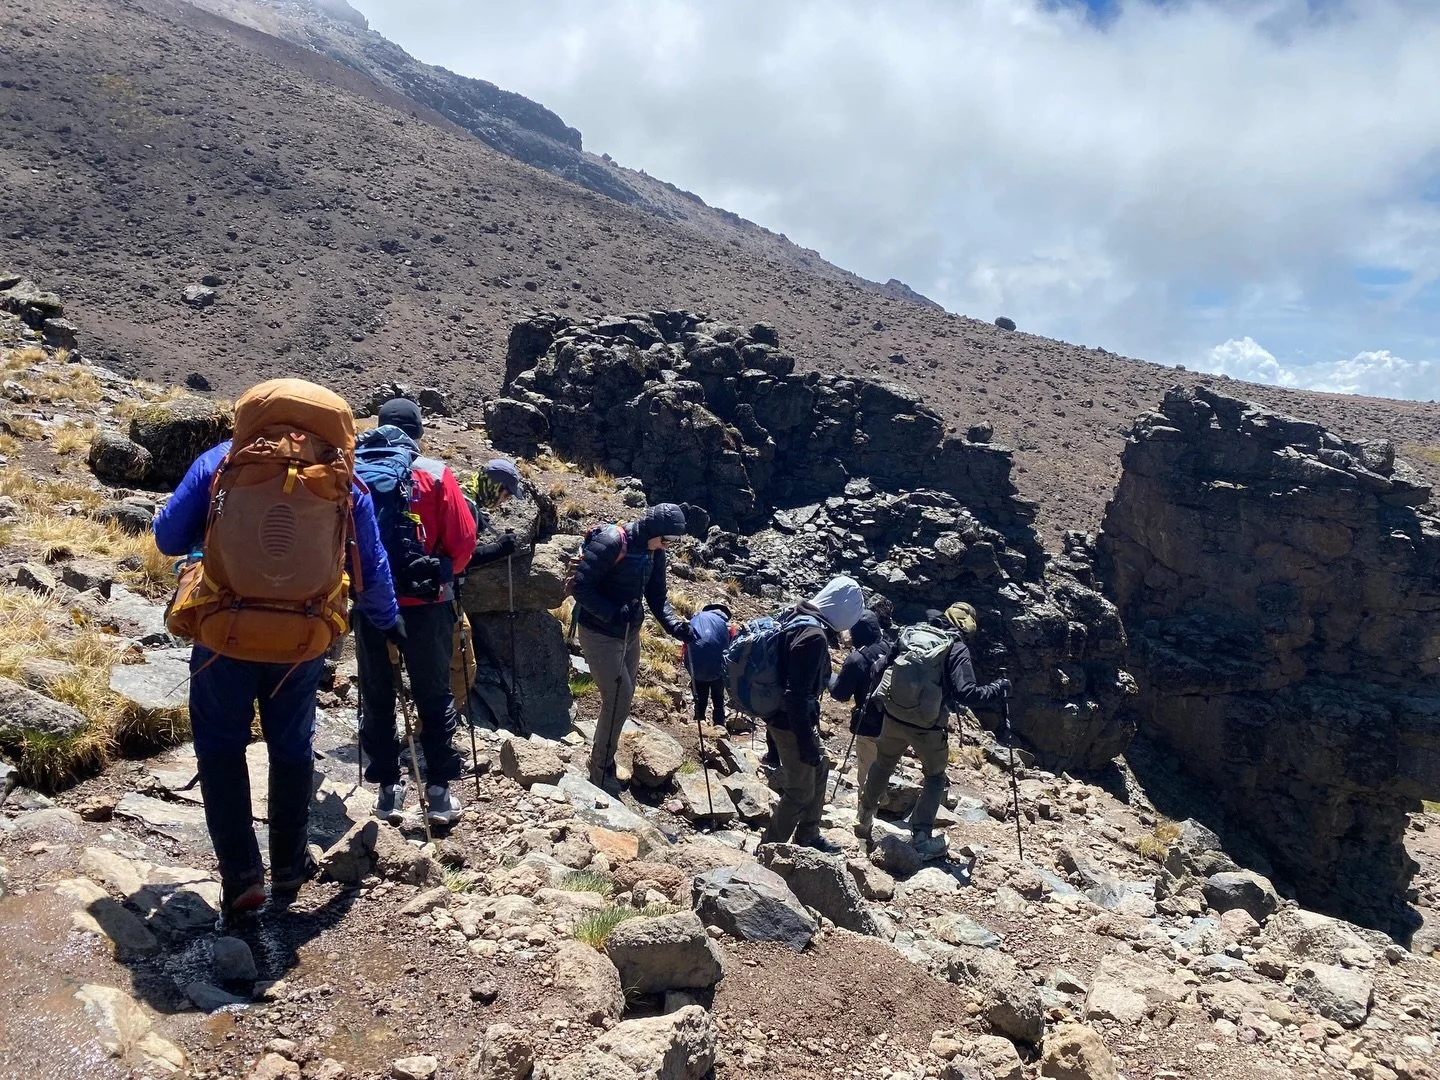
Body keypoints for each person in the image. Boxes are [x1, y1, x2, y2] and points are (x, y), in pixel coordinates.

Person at [155, 378, 400, 923]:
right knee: (292, 745)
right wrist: (387, 623)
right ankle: (289, 866)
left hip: (224, 636)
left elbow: (169, 539)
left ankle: (242, 878)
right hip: (302, 640)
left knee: (221, 749)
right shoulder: (343, 479)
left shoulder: (221, 461)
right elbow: (370, 568)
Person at [356, 398, 477, 829]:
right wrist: (443, 569)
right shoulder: (435, 473)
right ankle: (440, 792)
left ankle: (388, 791)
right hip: (427, 604)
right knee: (434, 692)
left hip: (371, 603)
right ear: (418, 431)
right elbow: (463, 543)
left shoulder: (351, 471)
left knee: (376, 692)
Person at [855, 602, 1010, 859]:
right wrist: (998, 688)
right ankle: (922, 837)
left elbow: (881, 666)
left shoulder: (913, 632)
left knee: (883, 763)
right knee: (935, 777)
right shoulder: (956, 648)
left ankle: (864, 819)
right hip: (926, 726)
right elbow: (967, 693)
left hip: (893, 714)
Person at [572, 503, 691, 791]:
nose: (668, 545)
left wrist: (677, 628)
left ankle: (604, 757)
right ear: (654, 530)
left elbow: (658, 597)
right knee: (618, 701)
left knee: (621, 700)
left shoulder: (654, 553)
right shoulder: (613, 541)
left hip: (629, 634)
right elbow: (580, 587)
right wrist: (613, 612)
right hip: (600, 634)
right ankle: (600, 769)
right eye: (667, 538)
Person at [758, 575, 865, 851]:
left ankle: (809, 833)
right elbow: (795, 696)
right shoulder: (813, 636)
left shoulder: (799, 615)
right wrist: (805, 743)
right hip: (789, 720)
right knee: (799, 790)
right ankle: (769, 848)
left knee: (822, 764)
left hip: (783, 714)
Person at [451, 458, 524, 717]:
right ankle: (438, 727)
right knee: (464, 664)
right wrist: (499, 549)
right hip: (444, 596)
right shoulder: (468, 508)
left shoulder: (457, 495)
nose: (503, 501)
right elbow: (460, 560)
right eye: (505, 494)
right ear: (496, 487)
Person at [828, 608, 893, 795]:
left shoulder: (857, 659)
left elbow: (840, 694)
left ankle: (868, 814)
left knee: (867, 772)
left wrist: (829, 676)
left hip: (869, 724)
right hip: (894, 721)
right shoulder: (891, 649)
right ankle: (887, 797)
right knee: (885, 763)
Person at [683, 602, 733, 730]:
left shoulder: (696, 620)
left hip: (697, 665)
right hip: (718, 668)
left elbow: (686, 644)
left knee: (700, 694)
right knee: (718, 696)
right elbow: (732, 648)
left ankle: (699, 721)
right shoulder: (728, 626)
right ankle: (719, 724)